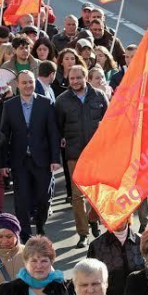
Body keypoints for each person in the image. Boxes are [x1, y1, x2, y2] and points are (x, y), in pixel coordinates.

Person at [0, 70, 61, 240]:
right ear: (17, 85)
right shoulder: (9, 105)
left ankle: (40, 225)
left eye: (30, 82)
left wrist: (56, 159)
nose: (28, 86)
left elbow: (53, 133)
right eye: (24, 82)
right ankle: (25, 235)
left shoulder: (46, 103)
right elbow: (4, 135)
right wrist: (3, 162)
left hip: (42, 159)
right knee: (22, 200)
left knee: (44, 198)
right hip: (19, 160)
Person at [56, 64, 108, 248]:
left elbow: (109, 122)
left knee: (97, 192)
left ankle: (93, 218)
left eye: (79, 77)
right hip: (74, 154)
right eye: (72, 78)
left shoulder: (99, 96)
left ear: (86, 77)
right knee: (78, 196)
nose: (75, 81)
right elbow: (58, 127)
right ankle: (83, 233)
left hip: (97, 154)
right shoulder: (62, 101)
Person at [87, 218, 145, 295]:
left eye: (121, 214)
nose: (118, 218)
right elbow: (91, 278)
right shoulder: (96, 245)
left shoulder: (142, 241)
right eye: (112, 215)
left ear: (128, 215)